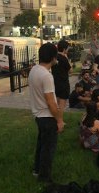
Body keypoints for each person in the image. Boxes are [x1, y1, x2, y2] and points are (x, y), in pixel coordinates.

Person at [28, 42, 64, 183]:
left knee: (41, 145)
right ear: (53, 57)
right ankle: (44, 178)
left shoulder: (34, 70)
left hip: (38, 115)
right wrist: (59, 120)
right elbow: (51, 102)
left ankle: (37, 170)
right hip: (47, 117)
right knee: (48, 149)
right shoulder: (46, 76)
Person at [52, 40, 72, 110]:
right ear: (64, 49)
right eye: (67, 49)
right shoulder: (64, 58)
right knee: (62, 105)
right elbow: (70, 70)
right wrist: (67, 59)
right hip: (63, 83)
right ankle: (59, 120)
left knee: (56, 103)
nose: (68, 50)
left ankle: (55, 118)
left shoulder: (54, 57)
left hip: (55, 82)